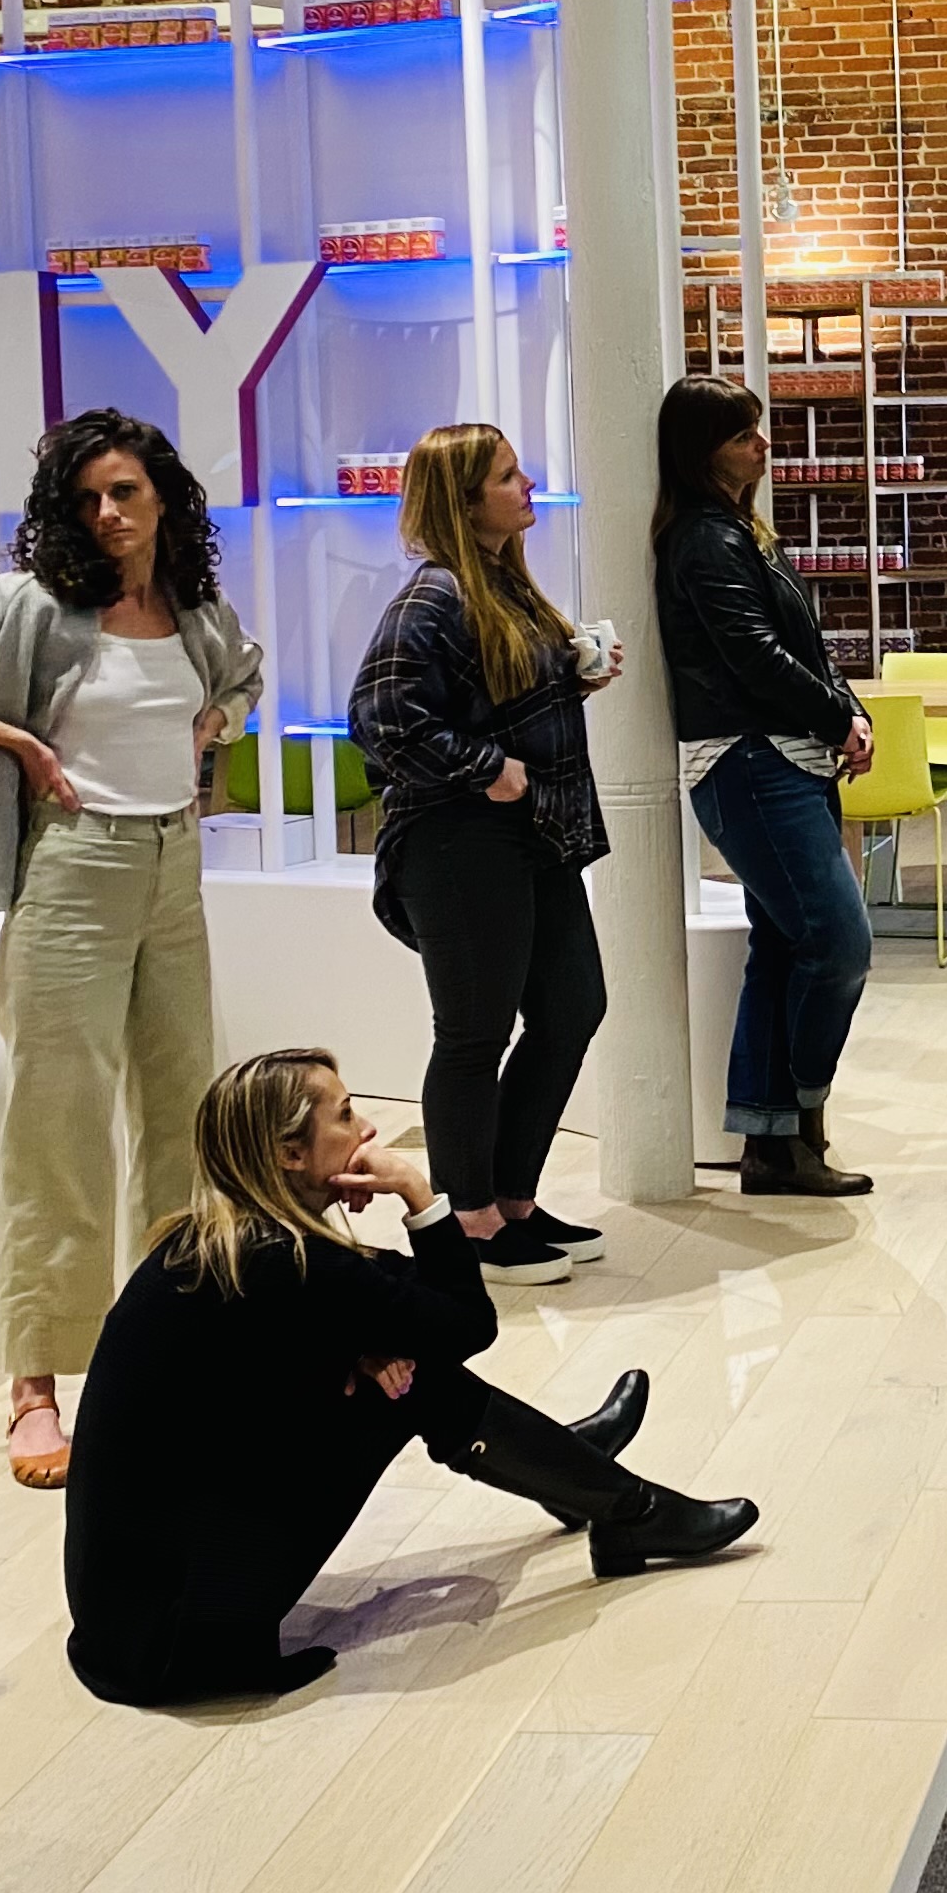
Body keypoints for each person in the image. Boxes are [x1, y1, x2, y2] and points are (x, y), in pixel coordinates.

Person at [62, 1049, 758, 1708]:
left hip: (131, 1620)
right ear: (289, 1154)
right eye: (342, 1115)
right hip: (180, 1641)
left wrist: (362, 1344)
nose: (366, 1129)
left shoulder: (225, 1240)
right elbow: (465, 1324)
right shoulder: (287, 1262)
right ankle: (621, 1507)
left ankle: (576, 1476)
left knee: (400, 1367)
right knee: (410, 1382)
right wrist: (417, 1194)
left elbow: (390, 1291)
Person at [0, 410, 265, 1487]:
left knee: (184, 1118)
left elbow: (246, 682)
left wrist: (211, 726)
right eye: (86, 499)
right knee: (59, 1124)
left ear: (162, 495)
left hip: (176, 867)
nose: (109, 514)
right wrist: (9, 738)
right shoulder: (31, 605)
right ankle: (37, 1383)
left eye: (125, 491)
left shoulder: (195, 610)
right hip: (73, 869)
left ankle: (172, 1348)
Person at [352, 423, 621, 1285]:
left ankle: (511, 1196)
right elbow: (381, 717)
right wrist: (489, 770)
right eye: (508, 476)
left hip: (532, 838)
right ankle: (468, 1220)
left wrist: (569, 677)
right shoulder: (431, 596)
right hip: (462, 844)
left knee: (573, 1007)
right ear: (464, 503)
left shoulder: (502, 586)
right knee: (474, 1031)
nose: (528, 484)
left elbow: (480, 691)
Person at [655, 375, 880, 1197]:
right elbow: (755, 656)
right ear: (702, 448)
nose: (763, 444)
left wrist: (845, 711)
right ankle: (800, 1123)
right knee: (838, 941)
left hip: (780, 755)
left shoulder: (738, 531)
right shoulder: (707, 540)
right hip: (752, 760)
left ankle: (772, 1142)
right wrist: (837, 717)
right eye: (744, 432)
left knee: (784, 946)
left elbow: (802, 647)